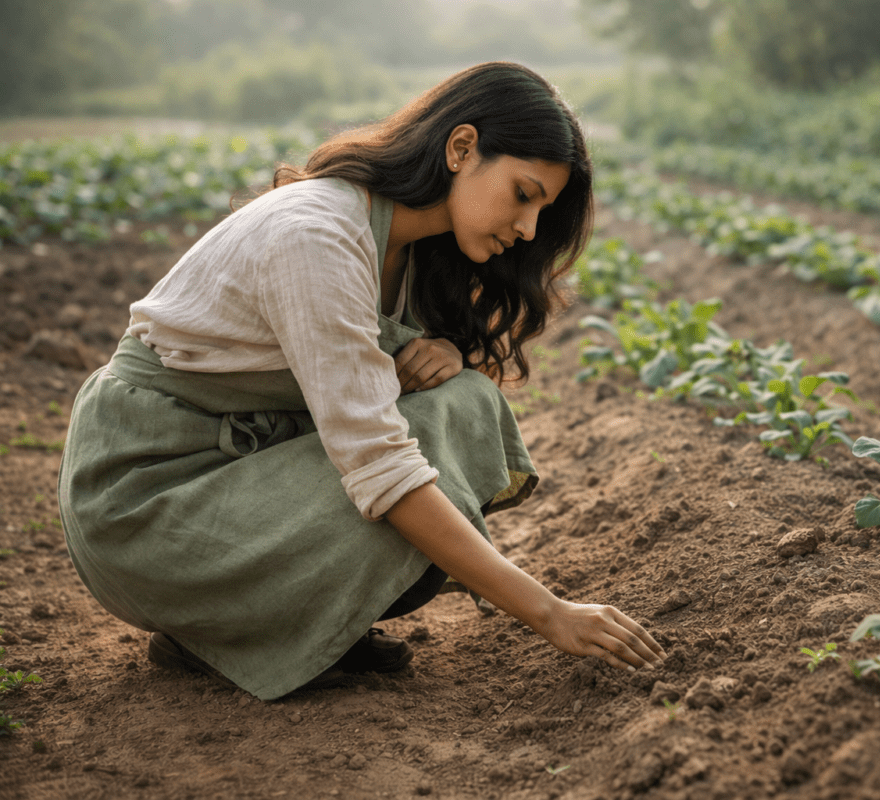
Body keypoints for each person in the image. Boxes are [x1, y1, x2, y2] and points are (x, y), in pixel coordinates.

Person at [58, 62, 666, 700]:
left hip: (233, 471)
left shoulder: (408, 247)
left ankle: (278, 624)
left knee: (463, 406)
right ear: (462, 149)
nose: (528, 230)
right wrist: (550, 613)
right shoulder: (317, 237)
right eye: (523, 193)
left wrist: (449, 355)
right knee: (410, 498)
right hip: (146, 503)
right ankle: (216, 628)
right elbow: (379, 466)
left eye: (543, 209)